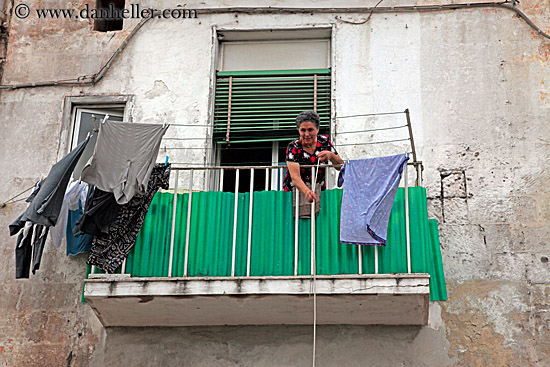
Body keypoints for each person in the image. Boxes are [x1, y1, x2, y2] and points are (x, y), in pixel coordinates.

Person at [283, 110, 344, 203]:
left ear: (317, 129)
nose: (307, 134)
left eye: (310, 130)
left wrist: (331, 156)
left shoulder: (324, 142)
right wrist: (307, 192)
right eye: (303, 130)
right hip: (294, 192)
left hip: (318, 191)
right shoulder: (293, 147)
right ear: (298, 130)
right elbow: (295, 177)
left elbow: (341, 166)